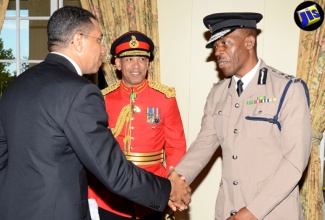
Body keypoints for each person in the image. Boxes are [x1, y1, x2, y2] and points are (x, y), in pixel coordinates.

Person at [0, 6, 191, 220]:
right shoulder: (80, 92)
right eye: (98, 40)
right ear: (79, 40)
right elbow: (114, 172)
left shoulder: (15, 87)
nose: (102, 49)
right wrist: (168, 190)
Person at [174, 12, 312, 220]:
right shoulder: (217, 93)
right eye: (215, 46)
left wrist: (251, 212)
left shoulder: (287, 89)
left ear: (249, 42)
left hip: (274, 212)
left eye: (224, 43)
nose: (217, 52)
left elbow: (295, 163)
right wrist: (175, 179)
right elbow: (203, 144)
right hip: (228, 209)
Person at [87, 31, 187, 220]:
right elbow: (93, 150)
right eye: (129, 59)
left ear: (148, 63)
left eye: (141, 59)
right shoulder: (102, 99)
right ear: (117, 63)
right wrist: (91, 194)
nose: (136, 66)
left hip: (152, 191)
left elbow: (176, 146)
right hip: (110, 195)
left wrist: (171, 184)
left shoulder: (165, 98)